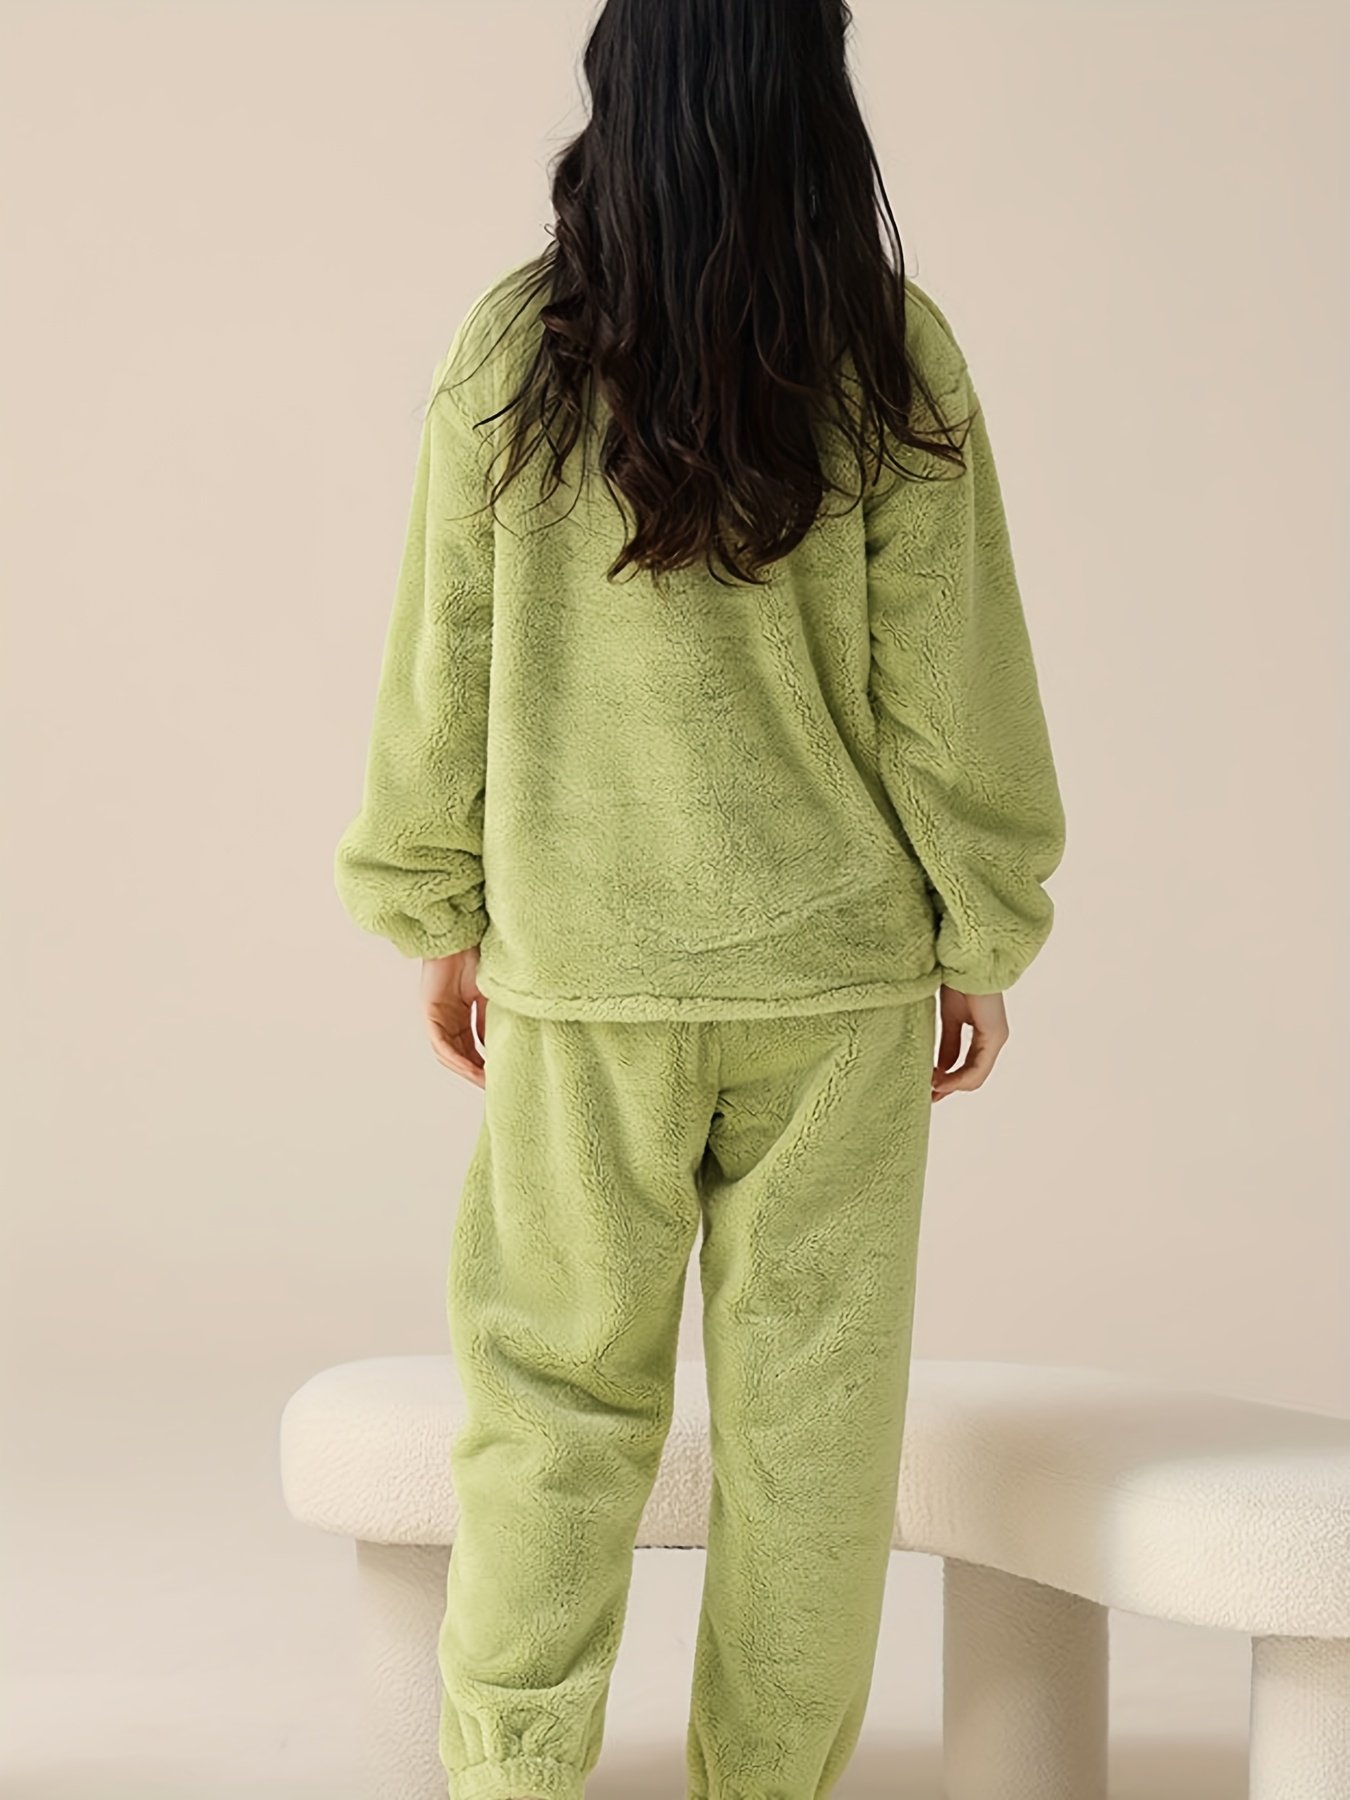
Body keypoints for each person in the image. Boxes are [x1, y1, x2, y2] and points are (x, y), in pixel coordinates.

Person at [333, 2, 1066, 1795]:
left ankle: (513, 1775)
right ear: (810, 91)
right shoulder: (885, 350)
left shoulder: (520, 345)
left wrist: (438, 908)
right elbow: (947, 678)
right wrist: (978, 930)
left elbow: (447, 650)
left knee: (549, 1406)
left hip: (585, 976)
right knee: (814, 1431)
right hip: (836, 983)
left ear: (622, 85)